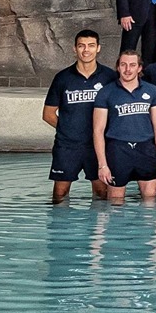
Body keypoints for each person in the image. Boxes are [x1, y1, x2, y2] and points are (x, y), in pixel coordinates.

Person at [44, 30, 112, 202]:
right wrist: (68, 129)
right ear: (75, 49)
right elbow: (48, 114)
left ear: (98, 48)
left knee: (102, 193)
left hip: (98, 146)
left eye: (91, 46)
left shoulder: (110, 77)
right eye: (81, 46)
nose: (86, 50)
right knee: (60, 194)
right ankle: (60, 221)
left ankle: (98, 222)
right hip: (67, 146)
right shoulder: (62, 78)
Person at [93, 49, 156, 204]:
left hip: (146, 149)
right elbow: (98, 130)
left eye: (132, 65)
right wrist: (102, 165)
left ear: (139, 68)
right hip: (118, 150)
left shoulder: (151, 90)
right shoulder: (106, 92)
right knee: (115, 201)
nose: (128, 69)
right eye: (123, 65)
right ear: (118, 67)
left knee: (150, 200)